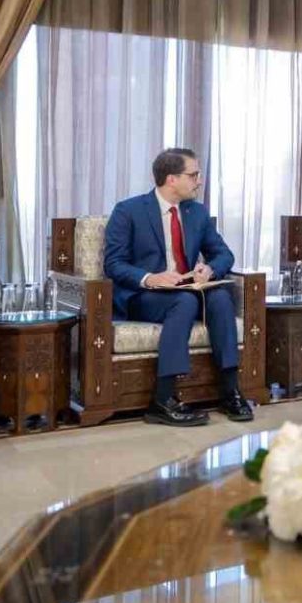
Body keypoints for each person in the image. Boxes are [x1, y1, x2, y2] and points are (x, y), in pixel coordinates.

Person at [103, 148, 251, 427]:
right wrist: (151, 277)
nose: (199, 181)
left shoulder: (196, 212)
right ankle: (163, 399)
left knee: (220, 298)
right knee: (184, 302)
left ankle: (230, 391)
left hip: (187, 289)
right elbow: (113, 263)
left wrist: (210, 269)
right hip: (145, 295)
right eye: (193, 175)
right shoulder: (128, 211)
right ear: (171, 179)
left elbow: (223, 254)